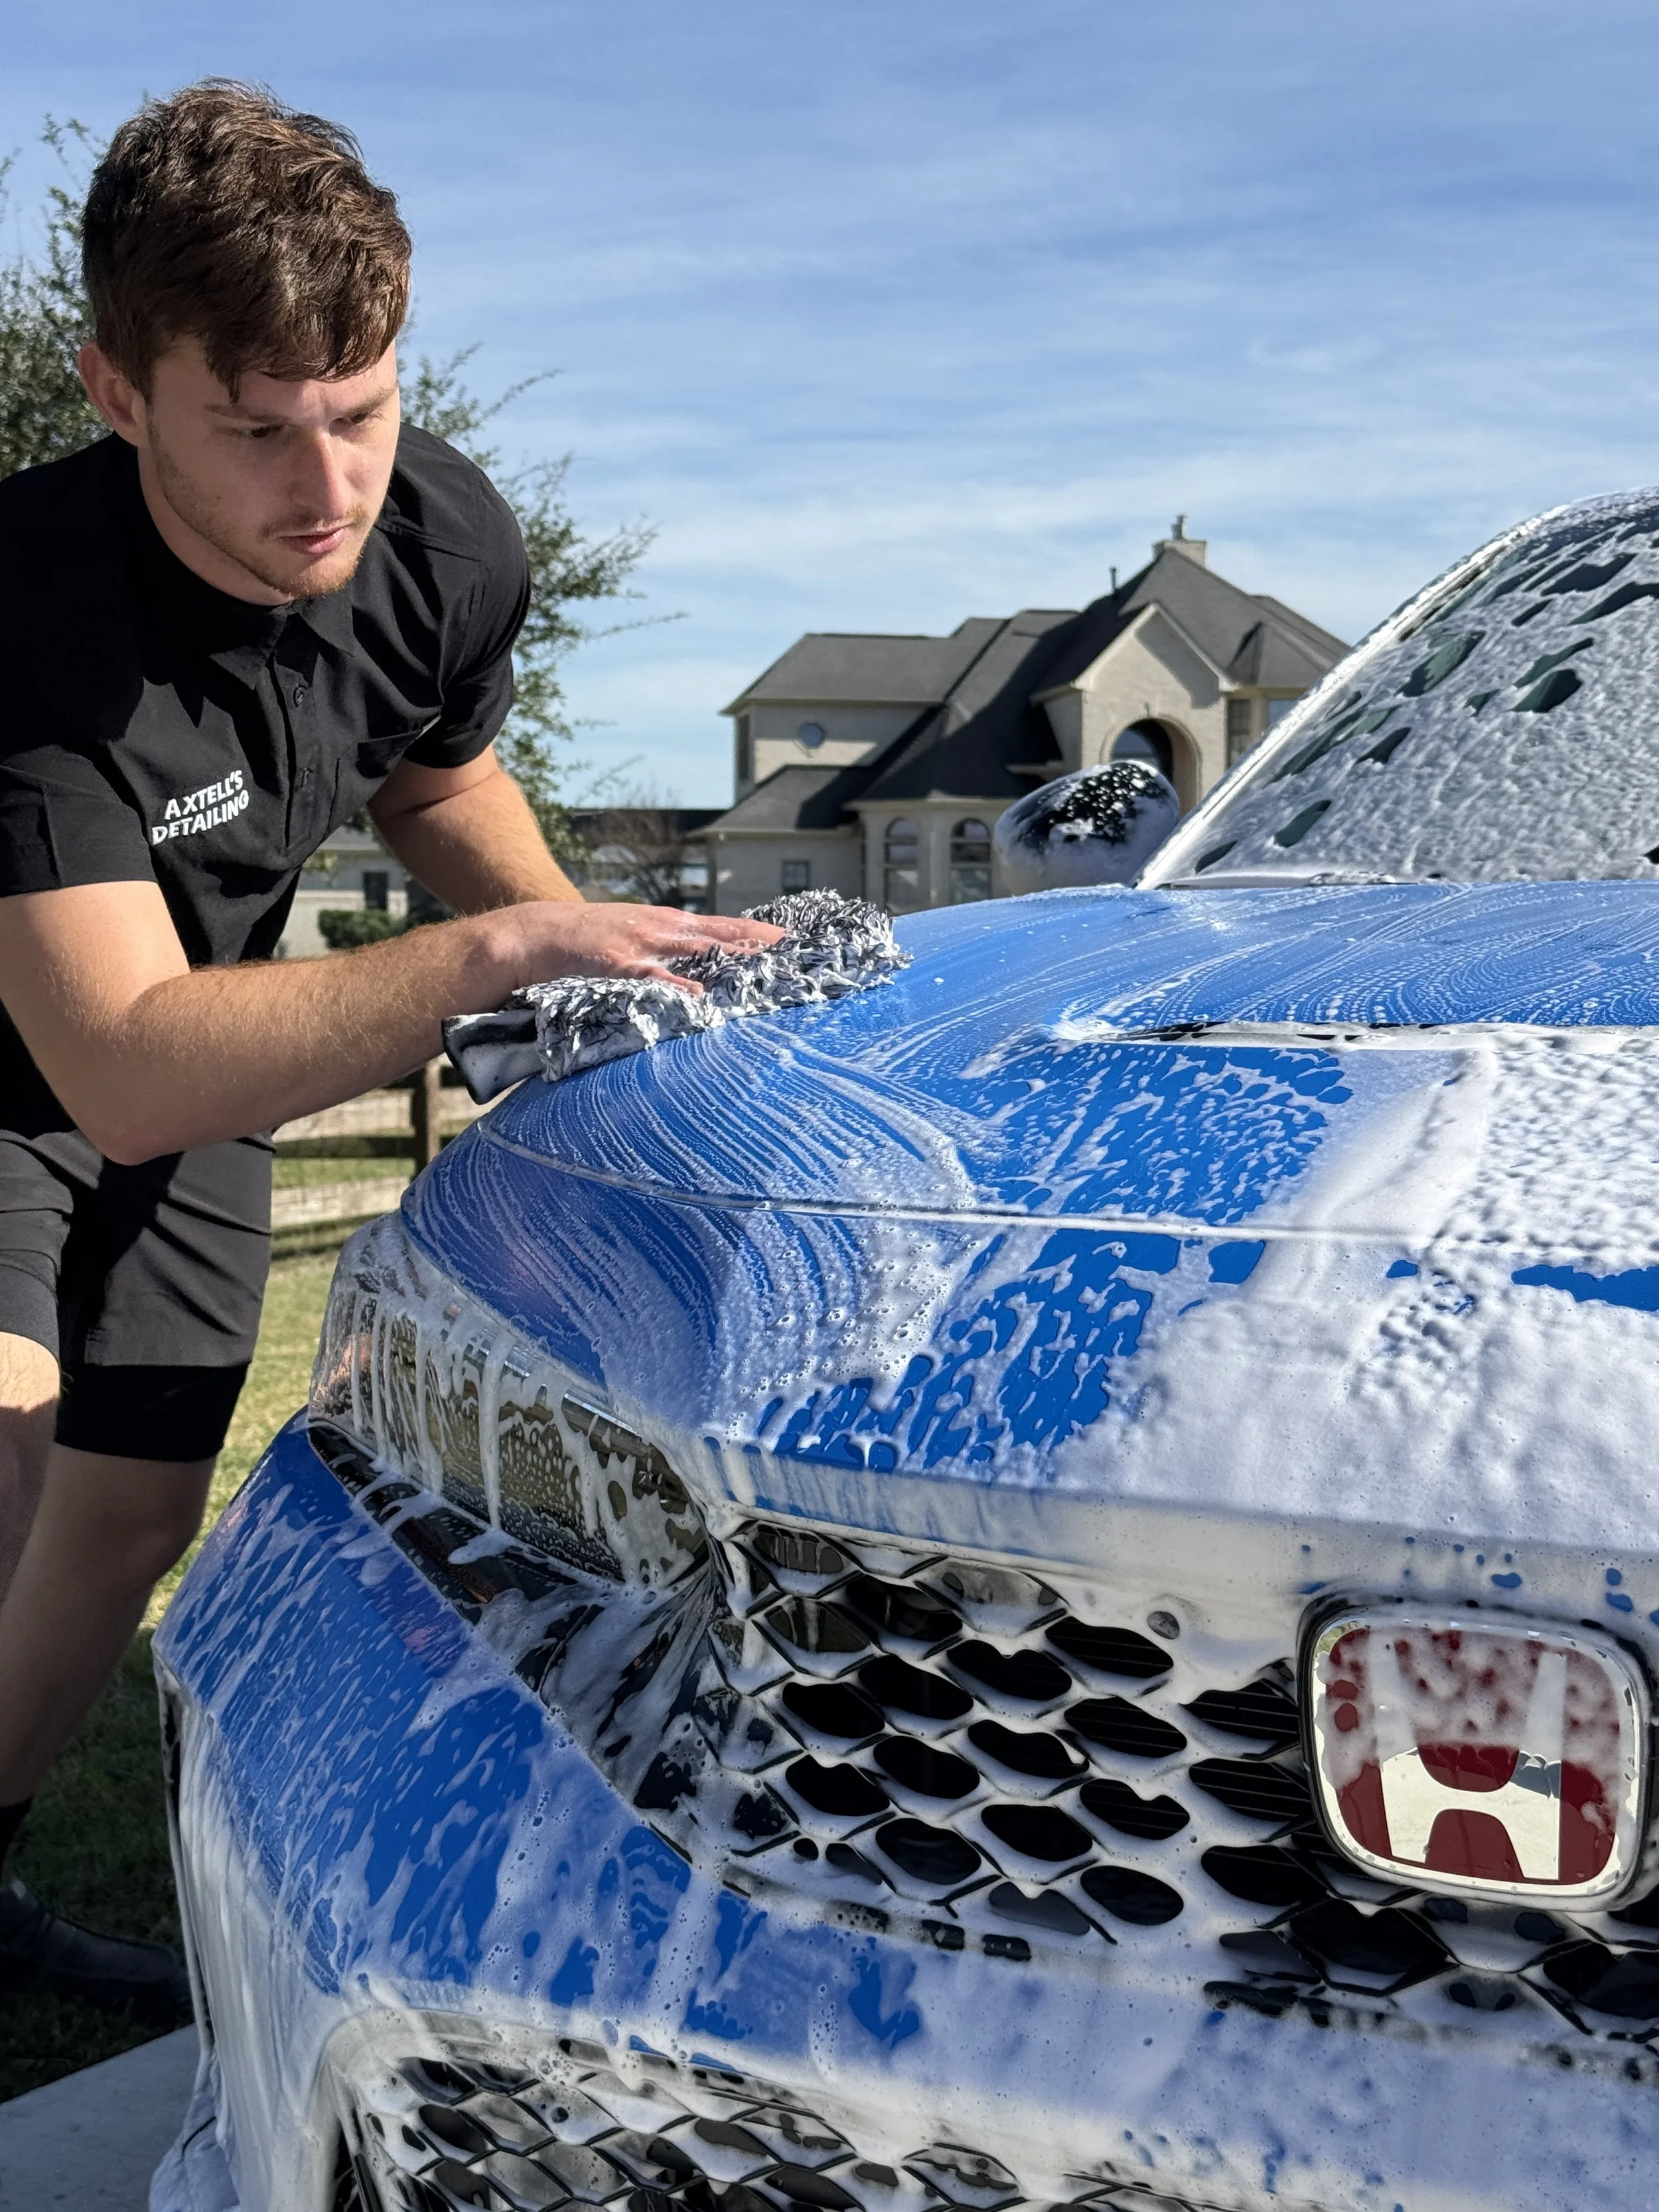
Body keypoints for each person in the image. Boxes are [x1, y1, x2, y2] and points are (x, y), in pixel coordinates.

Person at [0, 80, 780, 2020]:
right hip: (60, 1039)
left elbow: (442, 784)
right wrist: (476, 958)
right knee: (5, 1461)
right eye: (257, 431)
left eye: (359, 409)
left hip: (207, 1041)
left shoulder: (441, 544)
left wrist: (611, 969)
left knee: (129, 1515)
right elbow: (109, 1062)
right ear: (115, 390)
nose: (325, 482)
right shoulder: (25, 608)